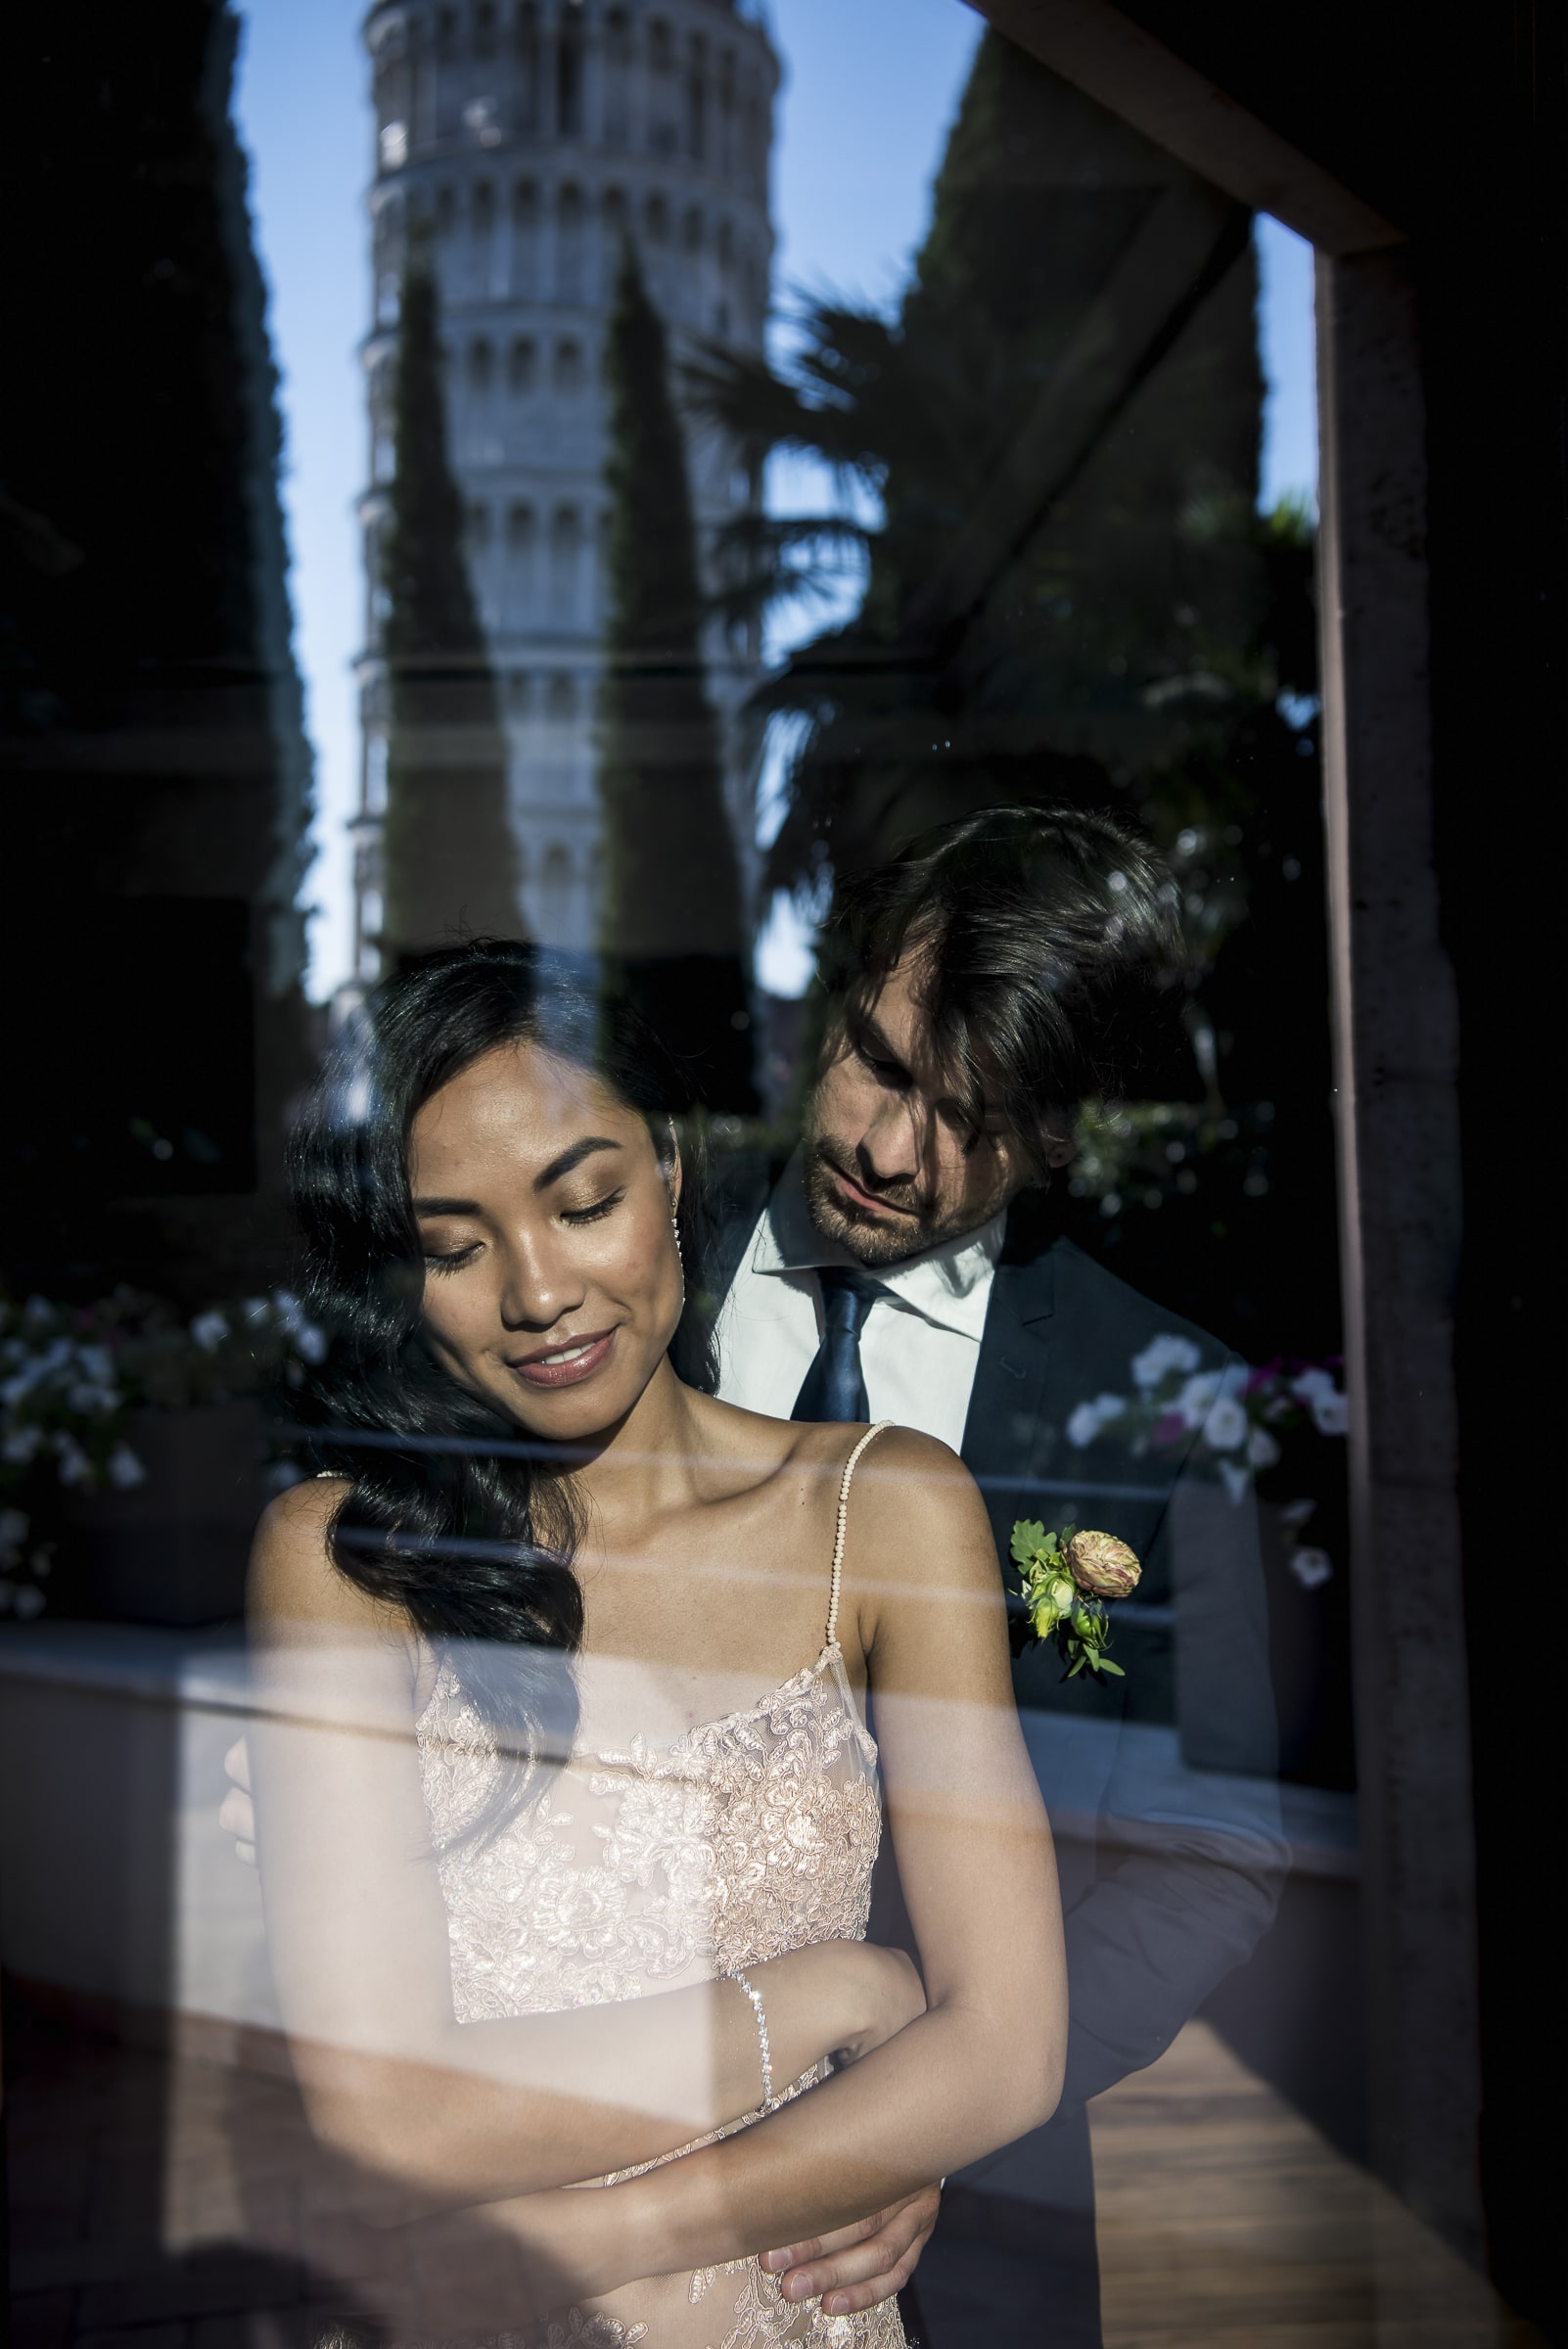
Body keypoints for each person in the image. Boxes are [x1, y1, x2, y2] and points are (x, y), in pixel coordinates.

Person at [242, 938, 1067, 2349]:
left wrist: (615, 2233)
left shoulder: (886, 1512)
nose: (537, 1293)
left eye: (584, 1204)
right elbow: (389, 2113)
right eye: (453, 1247)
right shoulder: (345, 1562)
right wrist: (838, 1995)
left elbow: (1009, 2050)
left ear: (672, 1166)